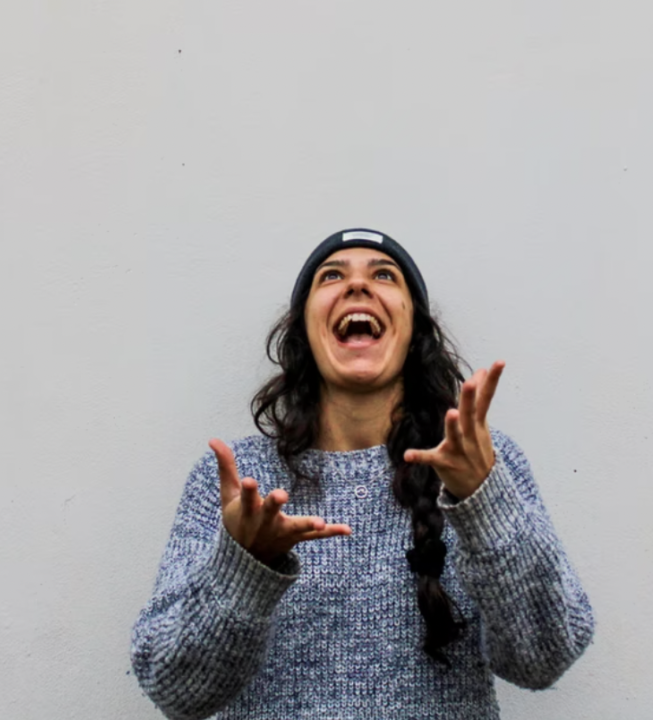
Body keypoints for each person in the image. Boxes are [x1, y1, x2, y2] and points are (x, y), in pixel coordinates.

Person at [130, 229, 595, 719]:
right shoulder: (235, 483)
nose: (357, 286)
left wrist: (485, 505)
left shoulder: (477, 465)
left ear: (413, 329)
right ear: (303, 331)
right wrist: (243, 566)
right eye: (332, 275)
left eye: (383, 275)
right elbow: (175, 688)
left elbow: (544, 658)